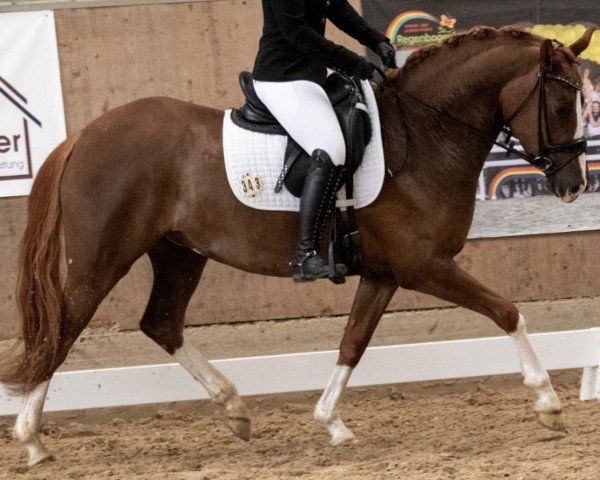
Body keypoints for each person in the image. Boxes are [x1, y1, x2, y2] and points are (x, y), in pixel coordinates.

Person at [252, 0, 396, 282]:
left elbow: (337, 7)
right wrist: (351, 60)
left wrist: (376, 40)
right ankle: (305, 255)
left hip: (312, 74)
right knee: (330, 148)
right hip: (283, 78)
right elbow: (297, 34)